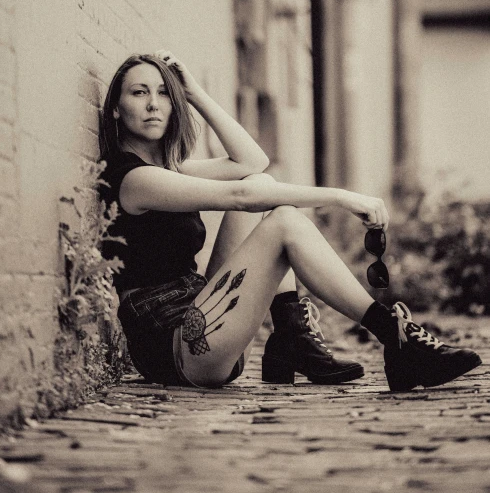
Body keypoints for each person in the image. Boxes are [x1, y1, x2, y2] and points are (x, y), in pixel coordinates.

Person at [99, 52, 482, 391]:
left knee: (261, 184)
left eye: (163, 93)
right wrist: (340, 196)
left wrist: (195, 93)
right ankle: (395, 339)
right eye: (139, 92)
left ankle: (290, 339)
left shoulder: (173, 169)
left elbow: (252, 164)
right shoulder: (134, 180)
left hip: (209, 320)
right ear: (116, 108)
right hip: (181, 348)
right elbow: (241, 198)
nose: (153, 104)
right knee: (278, 215)